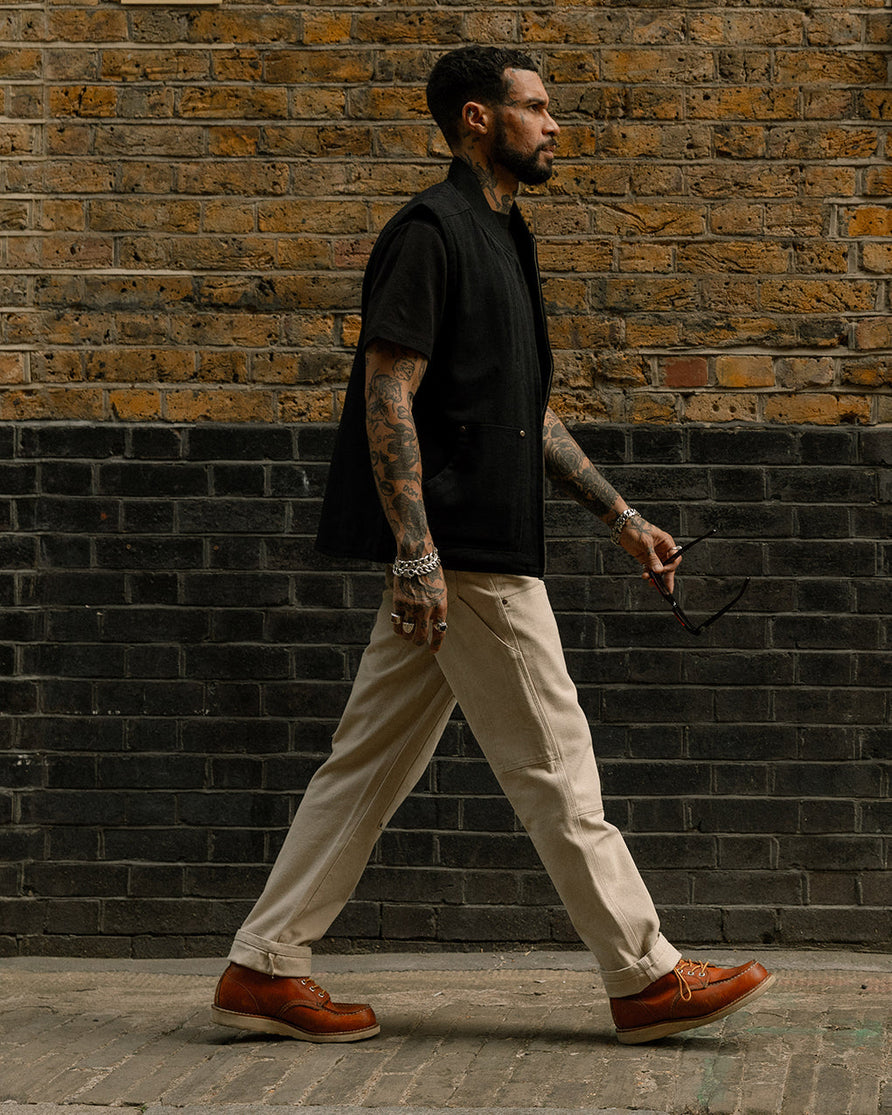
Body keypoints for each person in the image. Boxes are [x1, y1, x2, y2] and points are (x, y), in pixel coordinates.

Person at [212, 45, 774, 1046]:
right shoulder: (430, 233)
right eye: (536, 107)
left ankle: (264, 962)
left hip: (469, 545)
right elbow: (389, 391)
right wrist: (417, 553)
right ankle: (645, 975)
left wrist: (620, 516)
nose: (554, 125)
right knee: (557, 762)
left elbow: (528, 411)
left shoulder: (504, 239)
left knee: (367, 763)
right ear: (478, 118)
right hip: (465, 551)